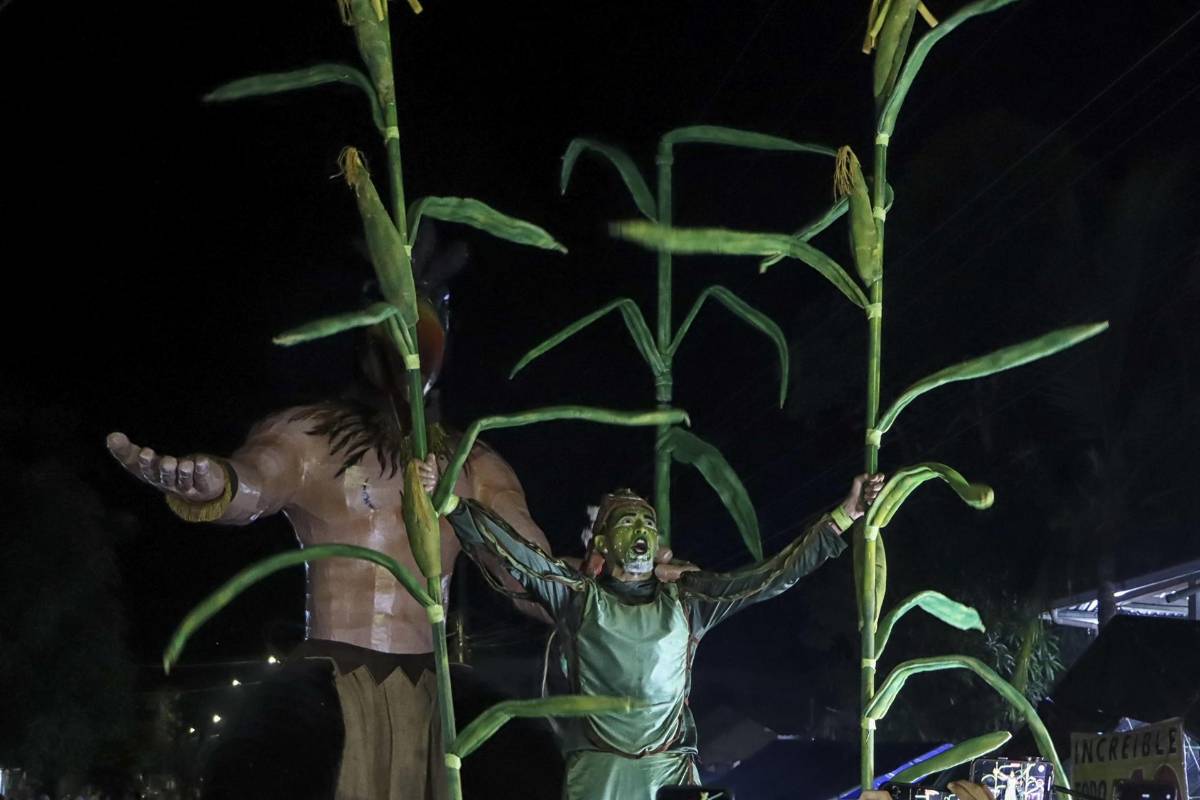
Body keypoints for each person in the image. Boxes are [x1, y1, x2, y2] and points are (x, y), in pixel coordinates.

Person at [424, 456, 885, 800]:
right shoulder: (581, 600)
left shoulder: (688, 602)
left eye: (648, 522)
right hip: (601, 777)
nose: (642, 530)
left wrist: (843, 516)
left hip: (670, 774)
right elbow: (519, 556)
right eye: (627, 523)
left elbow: (769, 577)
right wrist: (453, 504)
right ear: (603, 543)